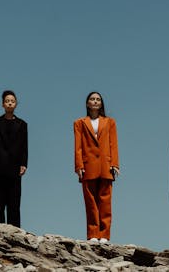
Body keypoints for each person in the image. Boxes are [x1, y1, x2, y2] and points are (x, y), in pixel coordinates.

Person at [73, 91, 119, 243]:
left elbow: (113, 144)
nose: (95, 101)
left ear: (101, 103)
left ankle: (104, 235)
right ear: (87, 103)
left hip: (106, 166)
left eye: (98, 99)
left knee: (105, 202)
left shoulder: (110, 122)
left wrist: (115, 164)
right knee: (90, 202)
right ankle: (93, 233)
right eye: (92, 99)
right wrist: (79, 165)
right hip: (88, 166)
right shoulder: (79, 123)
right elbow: (77, 146)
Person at [0, 90, 28, 228]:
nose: (10, 103)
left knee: (14, 202)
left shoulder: (22, 124)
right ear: (3, 104)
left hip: (15, 166)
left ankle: (14, 232)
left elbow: (24, 145)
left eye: (12, 101)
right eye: (7, 101)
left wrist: (24, 163)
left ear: (16, 104)